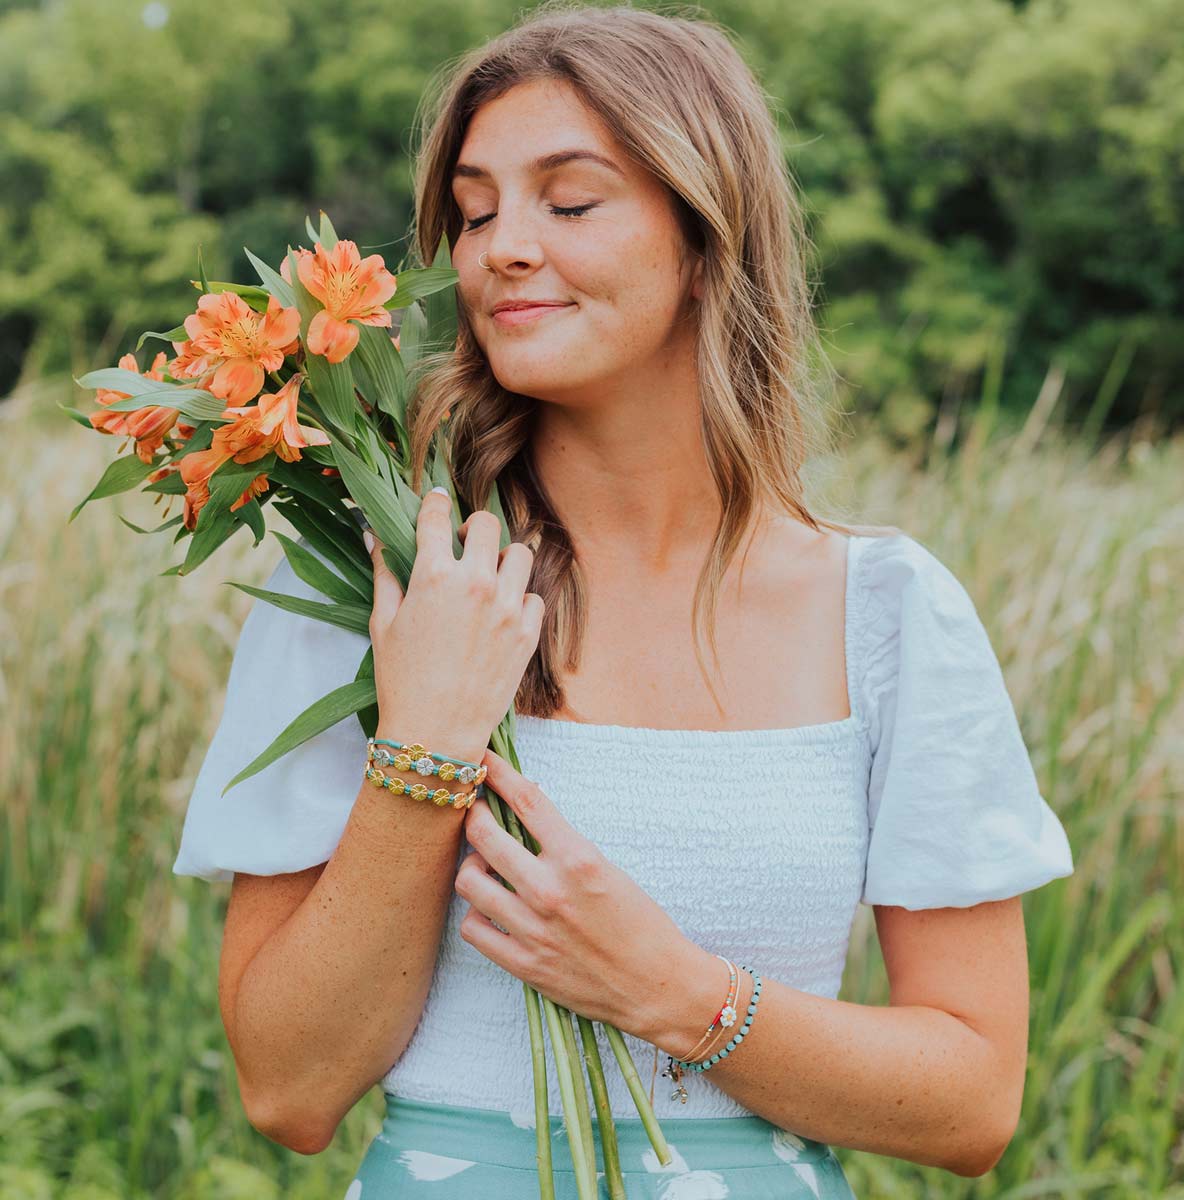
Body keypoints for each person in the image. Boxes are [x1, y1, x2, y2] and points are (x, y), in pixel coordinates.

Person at [172, 5, 1076, 1197]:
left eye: (571, 200)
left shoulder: (890, 613)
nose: (501, 247)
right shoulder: (383, 580)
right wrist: (426, 748)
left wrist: (674, 992)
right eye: (478, 207)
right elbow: (287, 1091)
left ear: (706, 236)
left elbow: (971, 1102)